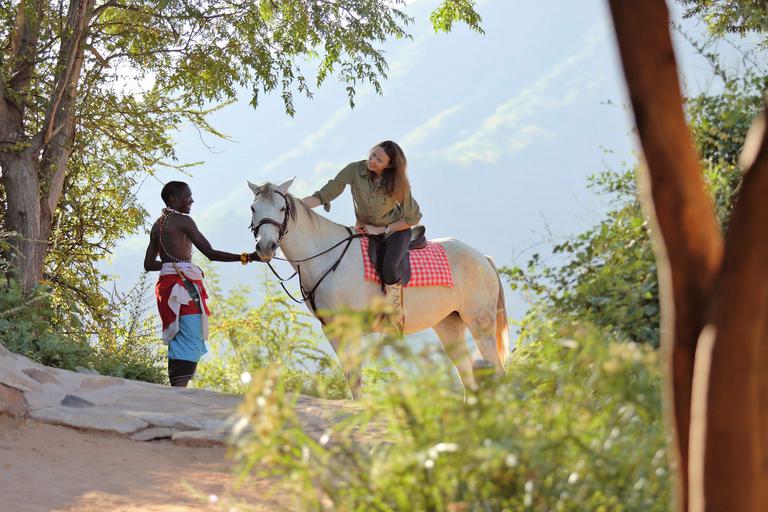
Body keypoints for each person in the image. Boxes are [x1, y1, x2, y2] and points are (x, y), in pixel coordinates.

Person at [144, 181, 257, 387]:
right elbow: (211, 254)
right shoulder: (183, 221)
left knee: (179, 337)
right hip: (183, 288)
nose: (192, 200)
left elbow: (149, 264)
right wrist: (247, 257)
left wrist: (175, 266)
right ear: (173, 199)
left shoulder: (157, 225)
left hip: (168, 288)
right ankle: (178, 394)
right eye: (188, 196)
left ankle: (176, 390)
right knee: (190, 338)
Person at [301, 141, 422, 334]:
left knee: (389, 268)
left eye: (379, 160)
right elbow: (325, 194)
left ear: (389, 165)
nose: (372, 161)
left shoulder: (397, 183)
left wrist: (383, 230)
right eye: (372, 155)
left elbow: (413, 218)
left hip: (395, 231)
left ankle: (395, 316)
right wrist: (296, 205)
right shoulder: (355, 170)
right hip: (364, 228)